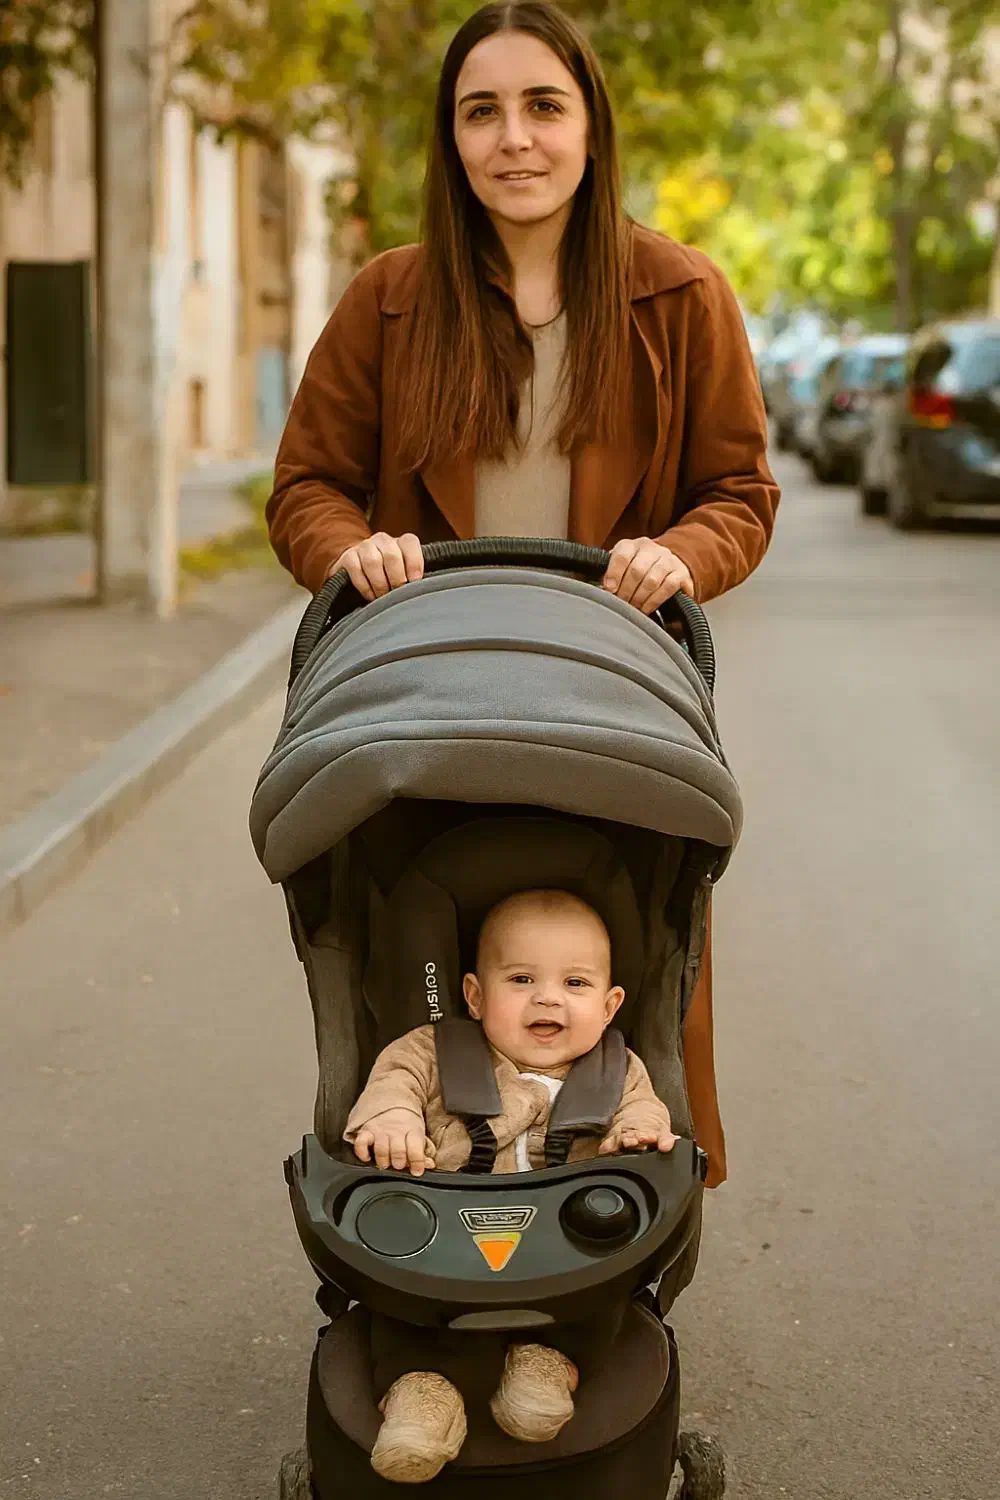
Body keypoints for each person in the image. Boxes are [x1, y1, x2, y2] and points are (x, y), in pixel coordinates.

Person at [267, 0, 780, 1189]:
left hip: (606, 698)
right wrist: (353, 549)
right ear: (451, 140)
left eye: (543, 106)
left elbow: (737, 492)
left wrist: (682, 556)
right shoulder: (389, 302)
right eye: (480, 112)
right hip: (425, 696)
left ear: (590, 127)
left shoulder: (677, 297)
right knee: (427, 954)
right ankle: (412, 1187)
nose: (515, 139)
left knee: (621, 953)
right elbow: (306, 487)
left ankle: (621, 1192)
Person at [343, 889, 676, 1484]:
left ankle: (551, 1366)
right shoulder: (433, 1051)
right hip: (443, 1238)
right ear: (475, 996)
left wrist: (639, 1134)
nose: (548, 996)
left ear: (609, 1004)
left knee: (603, 1302)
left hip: (568, 1251)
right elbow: (394, 1082)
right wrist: (393, 1120)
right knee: (398, 1311)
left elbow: (643, 1113)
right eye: (521, 978)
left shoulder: (615, 1070)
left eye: (575, 984)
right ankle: (422, 1395)